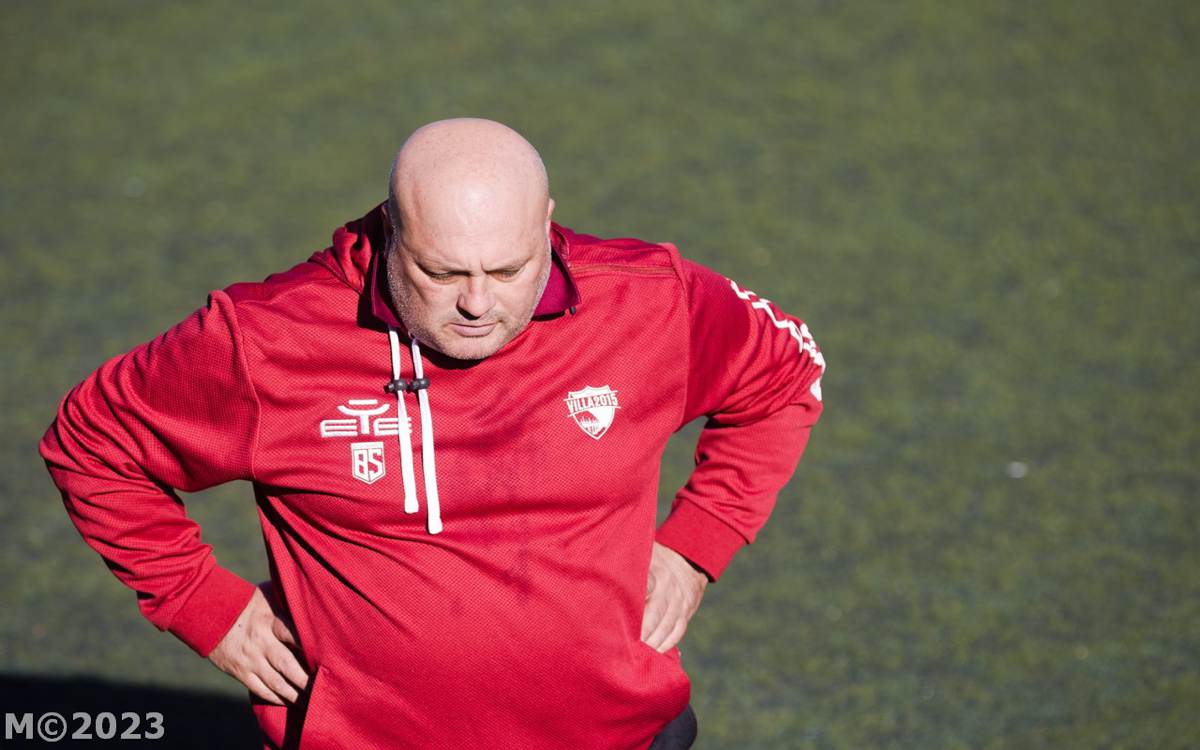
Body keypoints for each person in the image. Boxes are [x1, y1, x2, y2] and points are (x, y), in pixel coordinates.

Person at [39, 118, 825, 749]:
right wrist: (202, 603)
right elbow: (91, 442)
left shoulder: (650, 302)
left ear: (548, 225)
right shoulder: (267, 342)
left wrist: (696, 545)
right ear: (391, 229)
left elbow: (786, 374)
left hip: (622, 736)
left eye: (508, 270)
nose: (479, 304)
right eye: (442, 274)